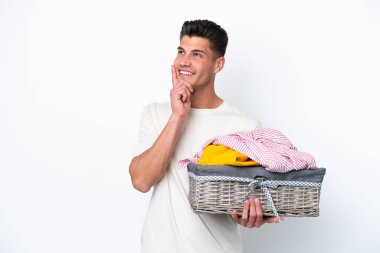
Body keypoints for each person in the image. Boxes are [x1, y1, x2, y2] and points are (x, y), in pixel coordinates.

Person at [129, 19, 281, 253]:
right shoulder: (156, 114)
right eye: (181, 51)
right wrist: (178, 116)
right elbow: (141, 181)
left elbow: (255, 198)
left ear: (217, 65)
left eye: (197, 54)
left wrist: (251, 214)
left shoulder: (246, 126)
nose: (184, 61)